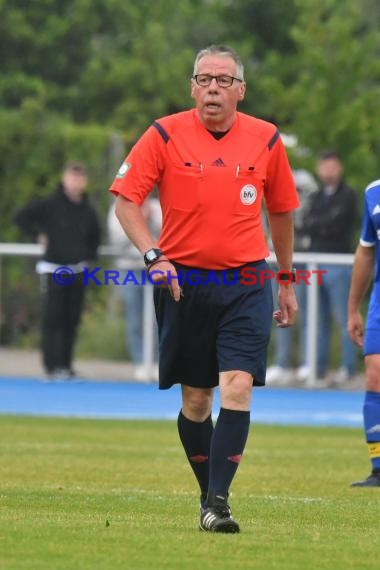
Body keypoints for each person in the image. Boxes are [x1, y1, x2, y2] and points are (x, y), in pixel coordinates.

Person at [109, 45, 299, 533]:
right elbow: (127, 203)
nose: (213, 87)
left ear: (241, 89)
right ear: (193, 87)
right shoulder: (163, 133)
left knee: (237, 386)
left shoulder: (267, 139)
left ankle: (218, 502)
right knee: (196, 401)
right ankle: (207, 496)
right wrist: (153, 255)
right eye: (204, 78)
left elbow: (280, 211)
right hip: (183, 284)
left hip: (246, 280)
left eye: (223, 79)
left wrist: (285, 278)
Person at [15, 162, 101, 380]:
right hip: (54, 269)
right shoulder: (49, 204)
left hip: (78, 270)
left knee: (71, 319)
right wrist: (38, 234)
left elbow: (95, 236)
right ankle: (51, 365)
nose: (76, 182)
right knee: (52, 318)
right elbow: (21, 218)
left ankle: (66, 364)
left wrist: (89, 257)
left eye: (80, 178)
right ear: (64, 178)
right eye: (72, 177)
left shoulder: (87, 210)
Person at [306, 151, 359, 384]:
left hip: (338, 263)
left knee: (344, 316)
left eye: (332, 166)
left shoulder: (348, 195)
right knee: (315, 318)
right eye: (324, 166)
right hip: (314, 262)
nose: (328, 171)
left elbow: (338, 225)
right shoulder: (316, 196)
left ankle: (348, 368)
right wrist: (322, 225)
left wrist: (320, 226)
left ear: (339, 168)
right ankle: (317, 368)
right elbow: (307, 223)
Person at [266, 168, 318, 384]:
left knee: (305, 312)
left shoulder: (304, 181)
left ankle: (309, 363)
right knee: (279, 313)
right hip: (273, 254)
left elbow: (308, 213)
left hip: (302, 255)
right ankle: (283, 363)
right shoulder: (262, 172)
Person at [347, 178, 380, 487]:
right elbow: (366, 252)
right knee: (374, 375)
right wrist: (353, 307)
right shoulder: (373, 192)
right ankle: (378, 466)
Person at [107, 194, 161, 377]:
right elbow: (117, 242)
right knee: (134, 317)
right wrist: (138, 222)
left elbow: (167, 236)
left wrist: (150, 220)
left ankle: (154, 361)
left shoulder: (157, 208)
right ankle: (139, 361)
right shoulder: (119, 207)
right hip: (129, 269)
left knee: (156, 318)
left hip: (155, 269)